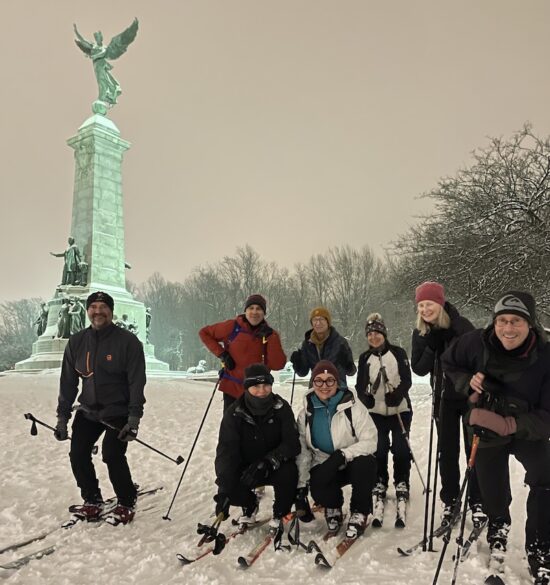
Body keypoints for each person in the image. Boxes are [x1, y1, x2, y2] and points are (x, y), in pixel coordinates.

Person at [442, 291, 550, 583]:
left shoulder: (545, 356)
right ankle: (498, 527)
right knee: (492, 488)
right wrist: (467, 382)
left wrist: (510, 425)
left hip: (526, 427)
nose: (508, 328)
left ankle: (540, 546)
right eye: (502, 320)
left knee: (546, 474)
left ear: (531, 324)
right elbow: (449, 363)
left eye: (516, 321)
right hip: (487, 424)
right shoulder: (476, 342)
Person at [54, 291, 146, 526]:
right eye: (93, 307)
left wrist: (133, 419)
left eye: (103, 307)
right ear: (88, 311)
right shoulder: (76, 342)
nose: (97, 311)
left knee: (113, 455)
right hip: (88, 411)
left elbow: (137, 382)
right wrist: (62, 418)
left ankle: (126, 500)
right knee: (78, 453)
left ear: (111, 311)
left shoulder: (128, 342)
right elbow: (67, 382)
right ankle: (92, 500)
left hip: (118, 412)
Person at [410, 281, 485, 527]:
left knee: (473, 452)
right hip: (443, 399)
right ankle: (450, 501)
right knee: (447, 453)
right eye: (420, 305)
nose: (424, 309)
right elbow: (419, 369)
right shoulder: (421, 332)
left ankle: (478, 502)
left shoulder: (462, 327)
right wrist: (433, 347)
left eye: (428, 304)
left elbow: (479, 360)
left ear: (440, 303)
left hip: (467, 399)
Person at [213, 363, 300, 533]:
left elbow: (292, 444)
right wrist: (224, 492)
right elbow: (226, 451)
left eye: (266, 385)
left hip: (275, 464)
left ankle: (281, 513)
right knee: (229, 483)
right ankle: (249, 505)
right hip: (247, 467)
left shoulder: (281, 408)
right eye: (256, 386)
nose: (262, 390)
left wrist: (268, 462)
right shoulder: (234, 412)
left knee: (290, 473)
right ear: (247, 387)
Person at [295, 360, 377, 538]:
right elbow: (303, 452)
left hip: (351, 461)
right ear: (313, 383)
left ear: (337, 382)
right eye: (319, 380)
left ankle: (360, 511)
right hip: (324, 462)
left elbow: (371, 441)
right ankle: (333, 507)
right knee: (318, 486)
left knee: (366, 463)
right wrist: (301, 487)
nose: (324, 386)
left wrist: (343, 454)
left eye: (330, 380)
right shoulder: (306, 414)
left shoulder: (353, 407)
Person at [355, 313, 413, 510]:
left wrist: (397, 395)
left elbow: (407, 380)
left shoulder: (398, 353)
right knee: (378, 448)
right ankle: (380, 479)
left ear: (384, 333)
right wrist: (366, 398)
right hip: (376, 412)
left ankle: (402, 480)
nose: (373, 337)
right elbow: (359, 385)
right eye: (370, 334)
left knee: (401, 448)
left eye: (377, 333)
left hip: (400, 409)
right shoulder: (365, 358)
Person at [199, 294, 286, 412]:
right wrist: (223, 354)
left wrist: (271, 338)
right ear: (245, 310)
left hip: (258, 391)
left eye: (259, 309)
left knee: (255, 429)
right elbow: (204, 333)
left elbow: (278, 364)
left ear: (264, 313)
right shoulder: (232, 327)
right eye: (251, 308)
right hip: (232, 388)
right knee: (231, 427)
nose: (254, 312)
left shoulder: (270, 335)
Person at [290, 307, 356, 389]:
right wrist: (298, 363)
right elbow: (303, 373)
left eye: (321, 319)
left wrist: (346, 363)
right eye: (315, 320)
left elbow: (351, 371)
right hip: (316, 390)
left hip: (337, 389)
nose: (318, 323)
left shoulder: (340, 342)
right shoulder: (307, 344)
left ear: (328, 322)